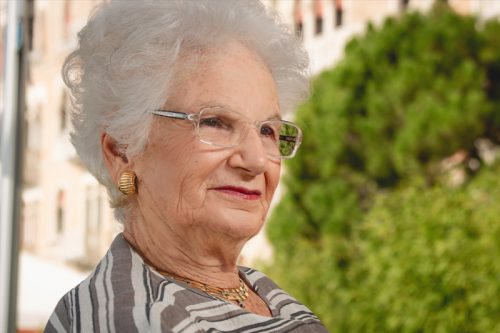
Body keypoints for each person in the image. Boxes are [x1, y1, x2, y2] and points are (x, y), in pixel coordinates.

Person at [45, 1, 328, 332]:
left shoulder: (257, 289)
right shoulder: (136, 318)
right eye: (215, 122)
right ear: (122, 150)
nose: (256, 160)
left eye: (267, 130)